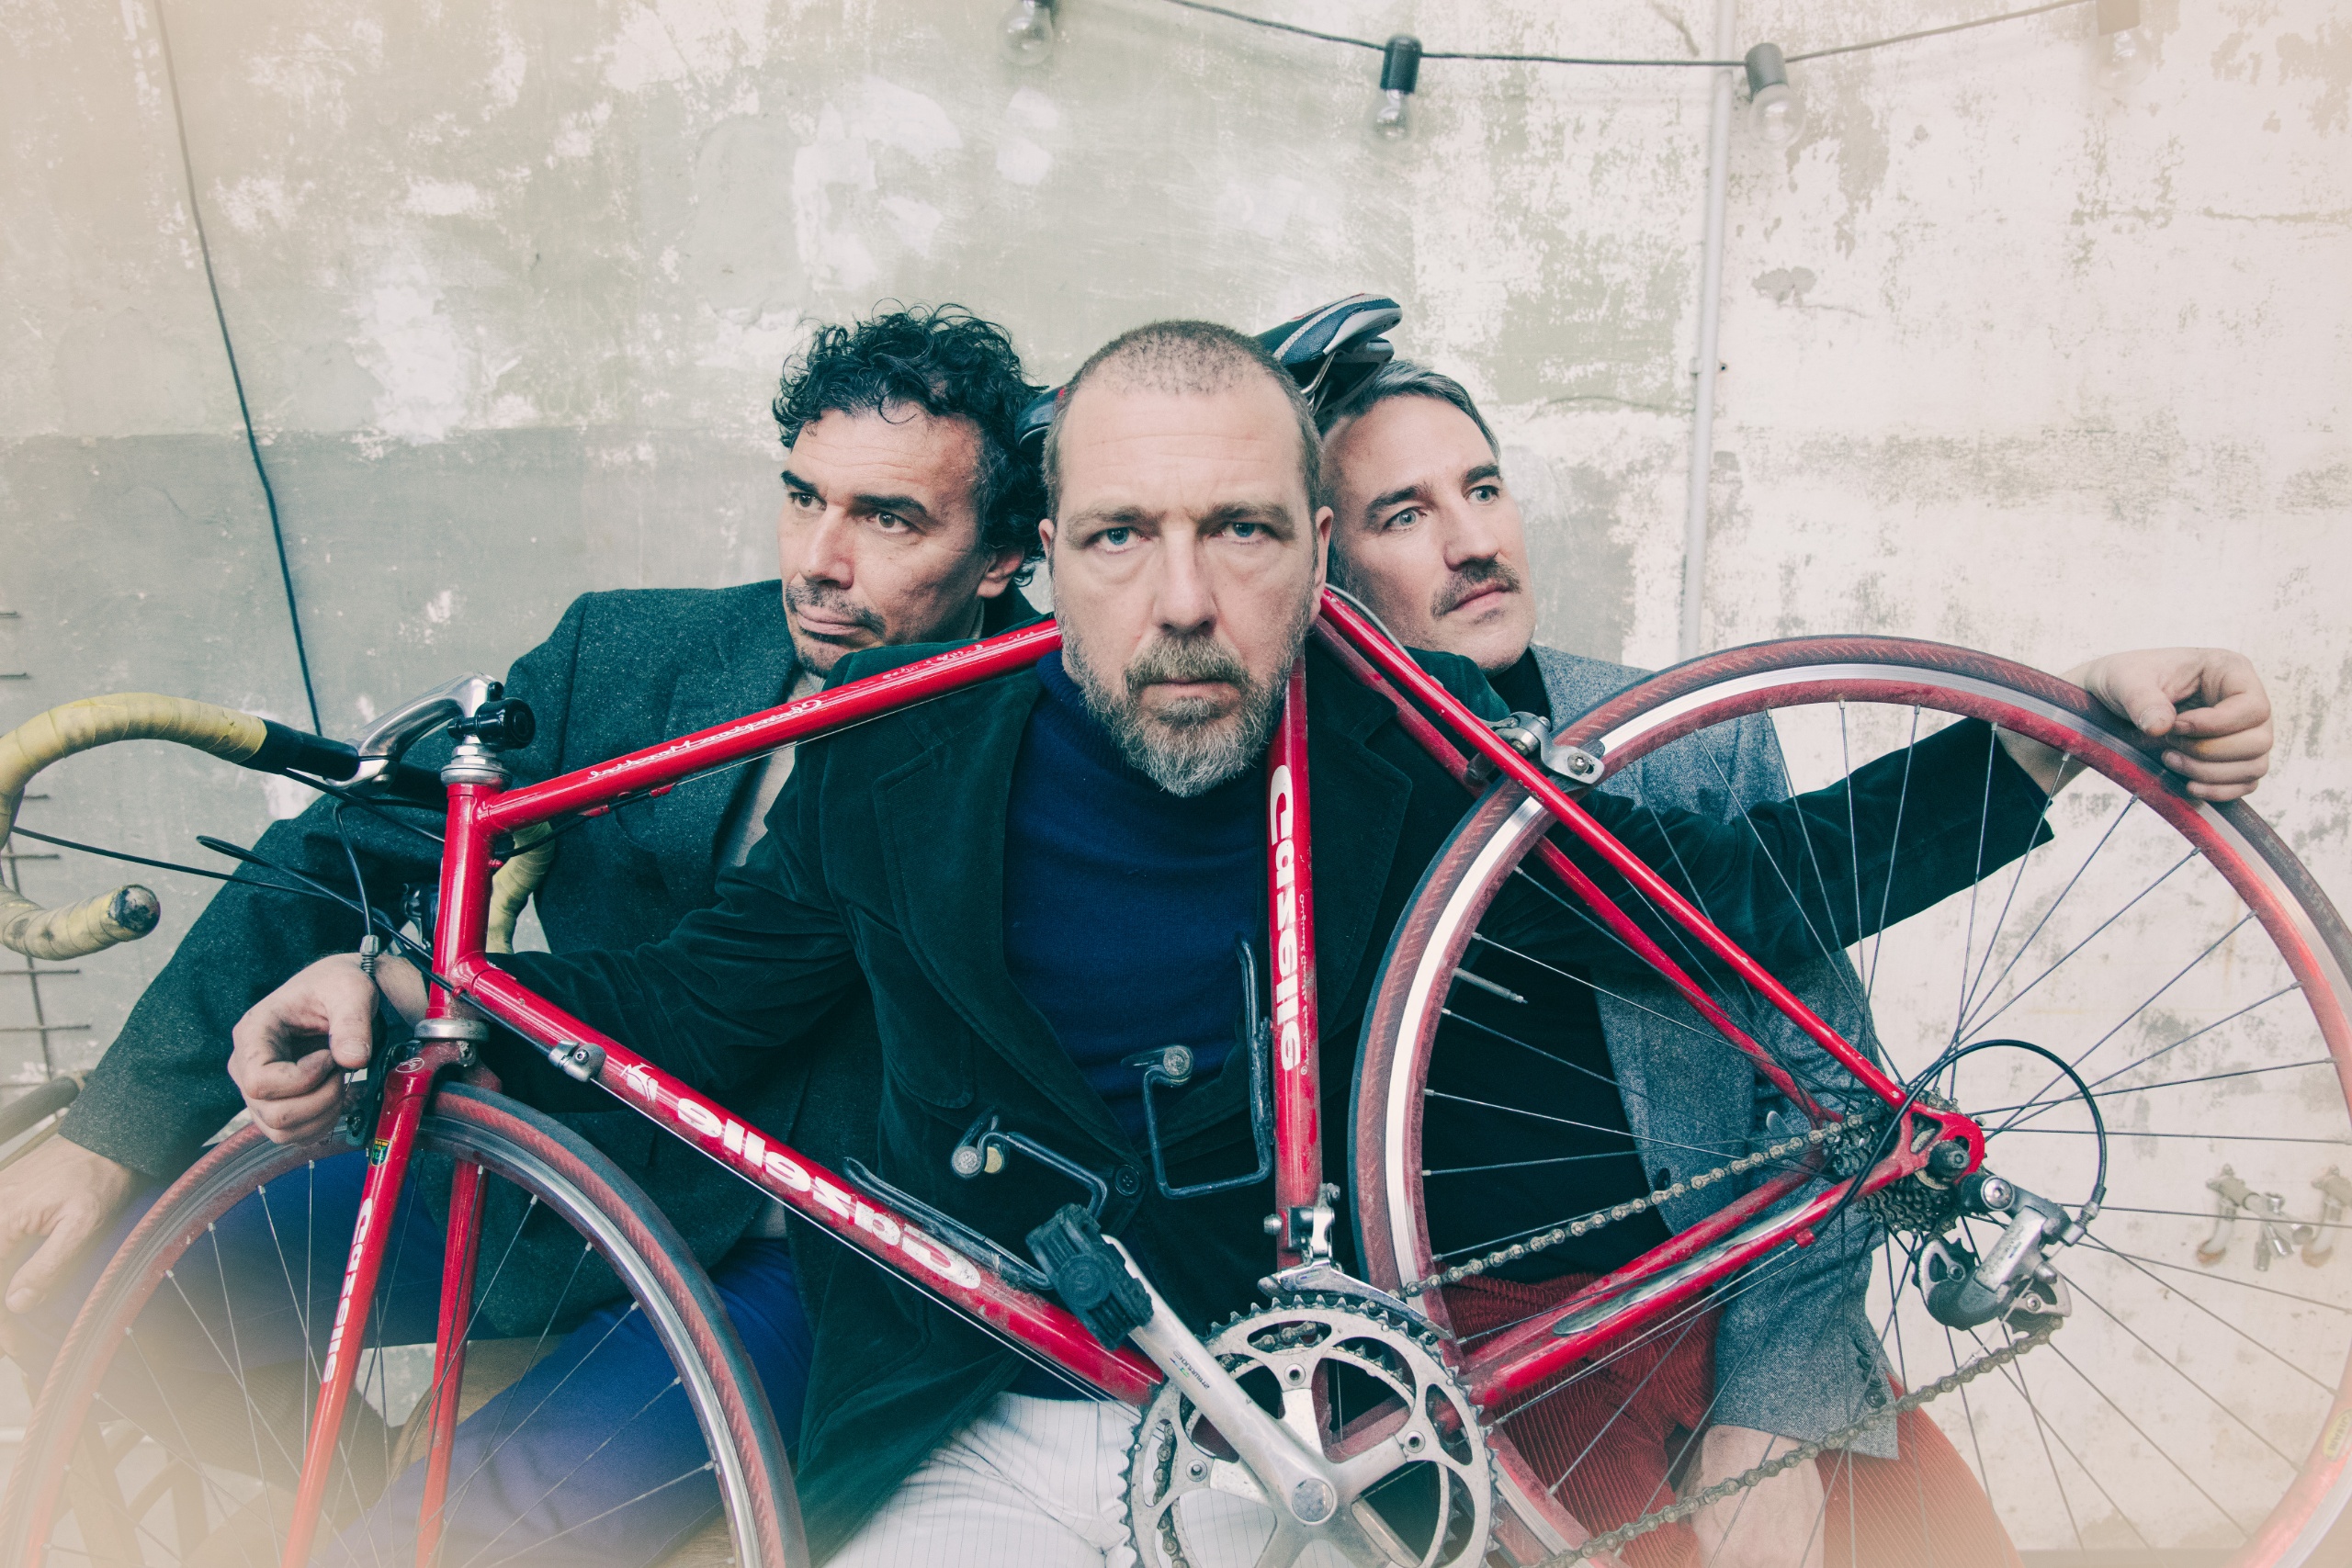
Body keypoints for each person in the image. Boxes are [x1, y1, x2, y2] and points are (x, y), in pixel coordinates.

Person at [233, 320, 2271, 1568]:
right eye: (1122, 536)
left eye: (1241, 532)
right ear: (1042, 564)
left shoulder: (1396, 757)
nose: (1183, 597)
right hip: (994, 1381)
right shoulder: (901, 769)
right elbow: (689, 1005)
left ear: (1314, 557)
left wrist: (2038, 738)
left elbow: (1725, 904)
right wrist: (403, 982)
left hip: (1299, 1422)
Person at [0, 303, 1048, 1562]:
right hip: (546, 1181)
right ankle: (340, 1490)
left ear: (998, 556)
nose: (822, 558)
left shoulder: (1047, 739)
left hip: (806, 1258)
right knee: (68, 1290)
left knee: (452, 1544)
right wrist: (113, 1134)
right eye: (803, 497)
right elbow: (348, 847)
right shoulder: (628, 651)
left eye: (889, 519)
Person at [1315, 359, 2273, 1568]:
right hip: (1507, 1362)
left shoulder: (1683, 743)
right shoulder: (1336, 792)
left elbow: (1826, 1100)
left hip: (1759, 1308)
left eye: (1484, 489)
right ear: (1327, 570)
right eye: (1404, 515)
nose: (1469, 541)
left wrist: (1772, 1412)